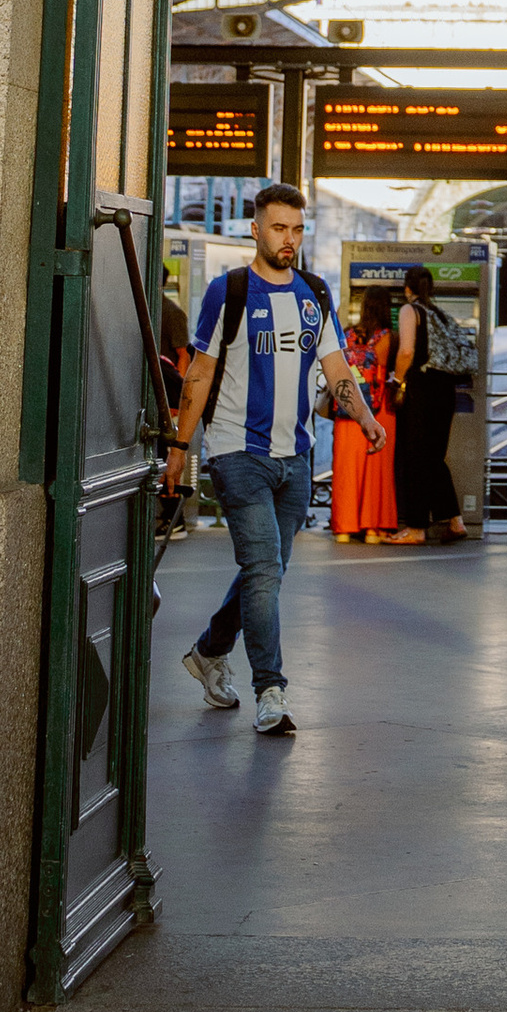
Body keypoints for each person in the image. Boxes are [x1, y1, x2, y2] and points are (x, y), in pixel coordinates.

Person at [163, 180, 384, 732]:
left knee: (268, 572)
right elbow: (200, 371)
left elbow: (336, 366)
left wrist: (365, 416)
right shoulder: (229, 291)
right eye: (279, 228)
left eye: (297, 229)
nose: (289, 239)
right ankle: (271, 690)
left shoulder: (314, 292)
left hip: (297, 458)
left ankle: (210, 650)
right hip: (239, 452)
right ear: (255, 229)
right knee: (262, 570)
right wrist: (178, 449)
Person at [391, 263, 468, 543]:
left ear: (407, 288)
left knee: (415, 458)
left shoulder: (410, 310)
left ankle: (416, 527)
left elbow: (407, 350)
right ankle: (456, 521)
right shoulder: (441, 314)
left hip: (421, 389)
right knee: (435, 457)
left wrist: (397, 381)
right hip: (446, 390)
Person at [330, 285, 398, 542]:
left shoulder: (347, 334)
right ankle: (372, 528)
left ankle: (344, 529)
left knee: (346, 469)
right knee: (375, 472)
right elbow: (382, 369)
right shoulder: (386, 337)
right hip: (379, 411)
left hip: (348, 410)